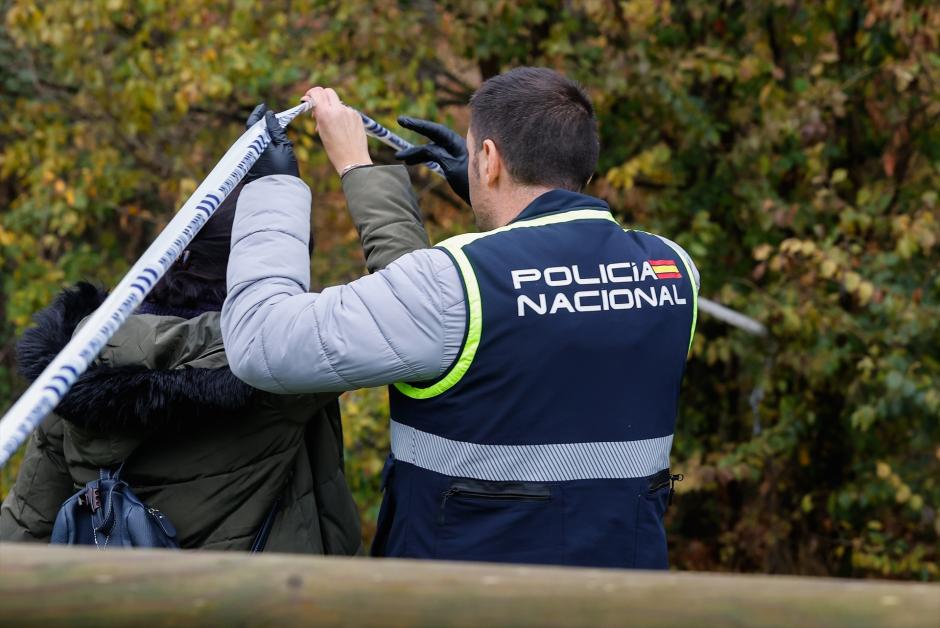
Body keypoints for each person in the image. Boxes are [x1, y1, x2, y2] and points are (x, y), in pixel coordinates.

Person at [221, 68, 700, 569]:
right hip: (626, 597)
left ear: (488, 160)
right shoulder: (672, 269)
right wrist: (487, 201)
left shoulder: (456, 283)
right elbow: (559, 312)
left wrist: (271, 190)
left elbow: (260, 341)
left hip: (464, 601)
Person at [0, 104, 429, 551]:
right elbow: (411, 309)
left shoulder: (80, 355)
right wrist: (359, 166)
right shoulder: (278, 363)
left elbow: (27, 522)